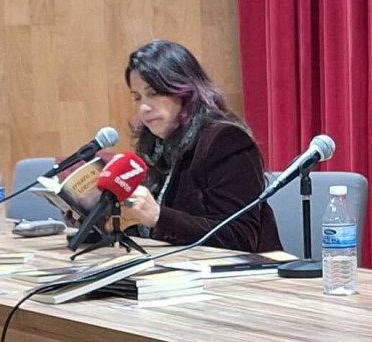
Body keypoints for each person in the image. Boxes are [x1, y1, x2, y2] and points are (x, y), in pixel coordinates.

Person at [120, 39, 282, 252]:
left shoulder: (226, 141)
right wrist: (104, 217)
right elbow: (149, 231)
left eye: (154, 93)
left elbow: (239, 238)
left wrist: (159, 216)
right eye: (137, 97)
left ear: (184, 90)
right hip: (175, 267)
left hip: (242, 270)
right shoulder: (156, 146)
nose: (144, 108)